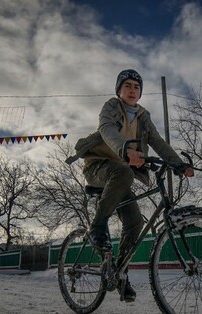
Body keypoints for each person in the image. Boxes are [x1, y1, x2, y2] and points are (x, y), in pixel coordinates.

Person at [80, 69, 194, 302]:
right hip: (98, 167)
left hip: (119, 178)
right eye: (128, 85)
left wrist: (178, 164)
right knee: (123, 171)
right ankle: (97, 226)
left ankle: (120, 274)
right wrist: (124, 150)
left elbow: (158, 142)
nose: (132, 90)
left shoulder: (143, 116)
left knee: (135, 221)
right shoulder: (111, 106)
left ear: (140, 92)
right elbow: (107, 129)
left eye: (136, 87)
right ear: (119, 89)